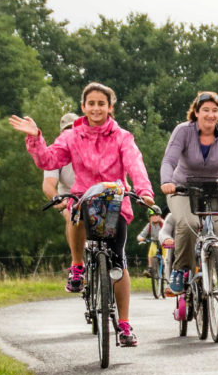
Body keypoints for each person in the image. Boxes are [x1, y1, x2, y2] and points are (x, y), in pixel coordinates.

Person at [10, 82, 161, 347]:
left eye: (101, 103)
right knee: (75, 211)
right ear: (83, 107)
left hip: (115, 199)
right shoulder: (72, 136)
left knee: (118, 261)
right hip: (84, 196)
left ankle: (124, 325)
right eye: (91, 103)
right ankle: (77, 266)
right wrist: (35, 137)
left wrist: (144, 190)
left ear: (110, 108)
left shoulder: (122, 137)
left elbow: (134, 163)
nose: (96, 108)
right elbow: (48, 160)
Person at [160, 91, 218, 309]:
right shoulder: (183, 131)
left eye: (215, 110)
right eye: (205, 110)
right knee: (187, 223)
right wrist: (166, 181)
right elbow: (169, 160)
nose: (210, 115)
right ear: (196, 112)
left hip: (216, 189)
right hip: (182, 188)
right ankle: (180, 270)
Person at [41, 111, 81, 291]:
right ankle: (76, 266)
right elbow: (49, 184)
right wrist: (56, 198)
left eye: (76, 128)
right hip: (68, 198)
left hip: (93, 194)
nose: (72, 132)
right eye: (68, 129)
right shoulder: (55, 152)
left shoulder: (92, 146)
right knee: (72, 216)